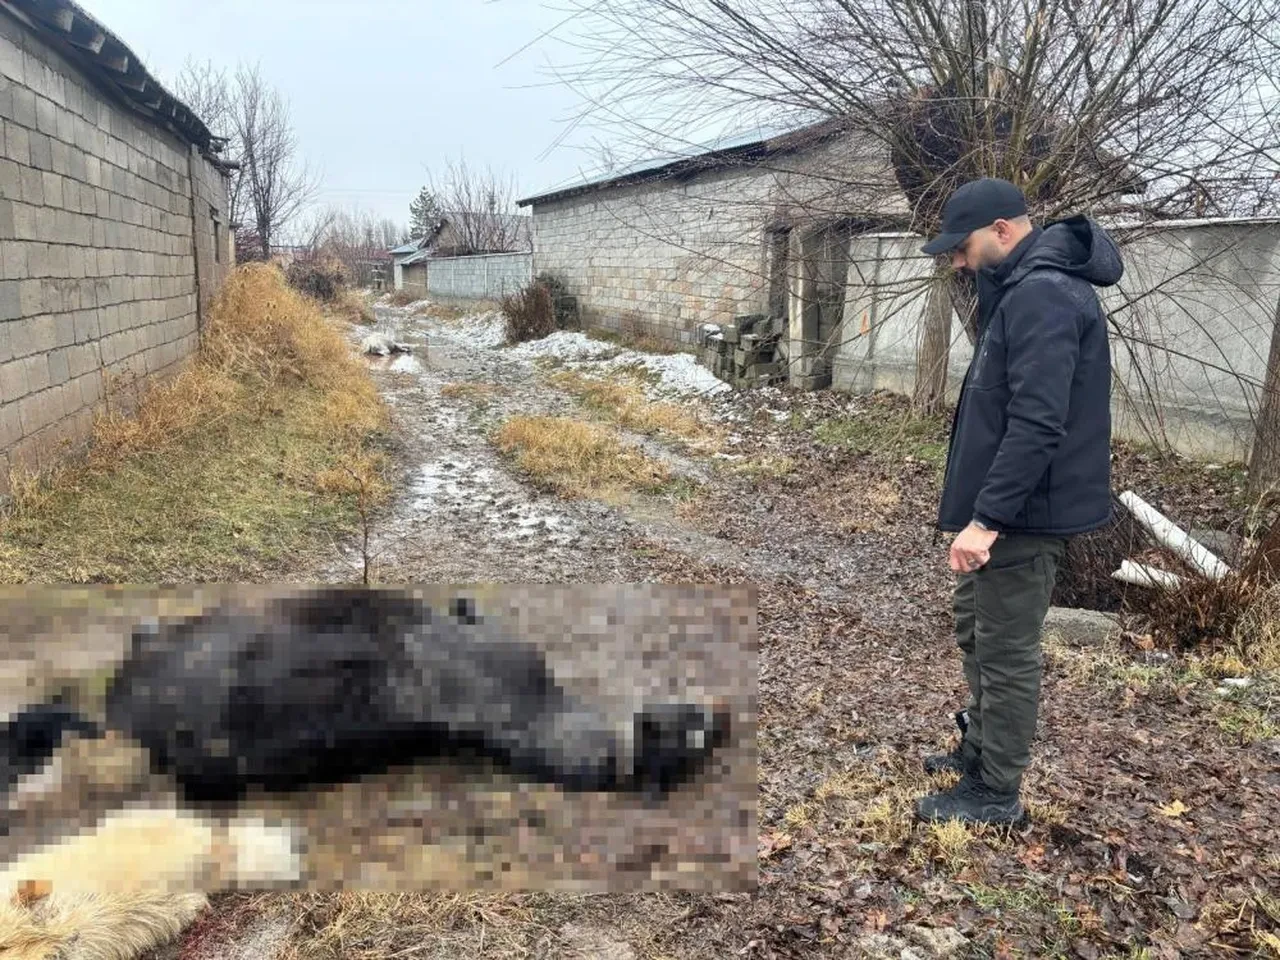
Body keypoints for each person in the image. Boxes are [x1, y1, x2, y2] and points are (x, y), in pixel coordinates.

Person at [913, 177, 1123, 826]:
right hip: (1007, 512)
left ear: (1002, 230)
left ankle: (994, 792)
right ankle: (978, 752)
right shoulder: (1022, 287)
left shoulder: (1044, 295)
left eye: (963, 246)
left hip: (1022, 518)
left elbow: (1037, 423)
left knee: (1005, 652)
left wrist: (987, 519)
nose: (958, 261)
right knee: (977, 632)